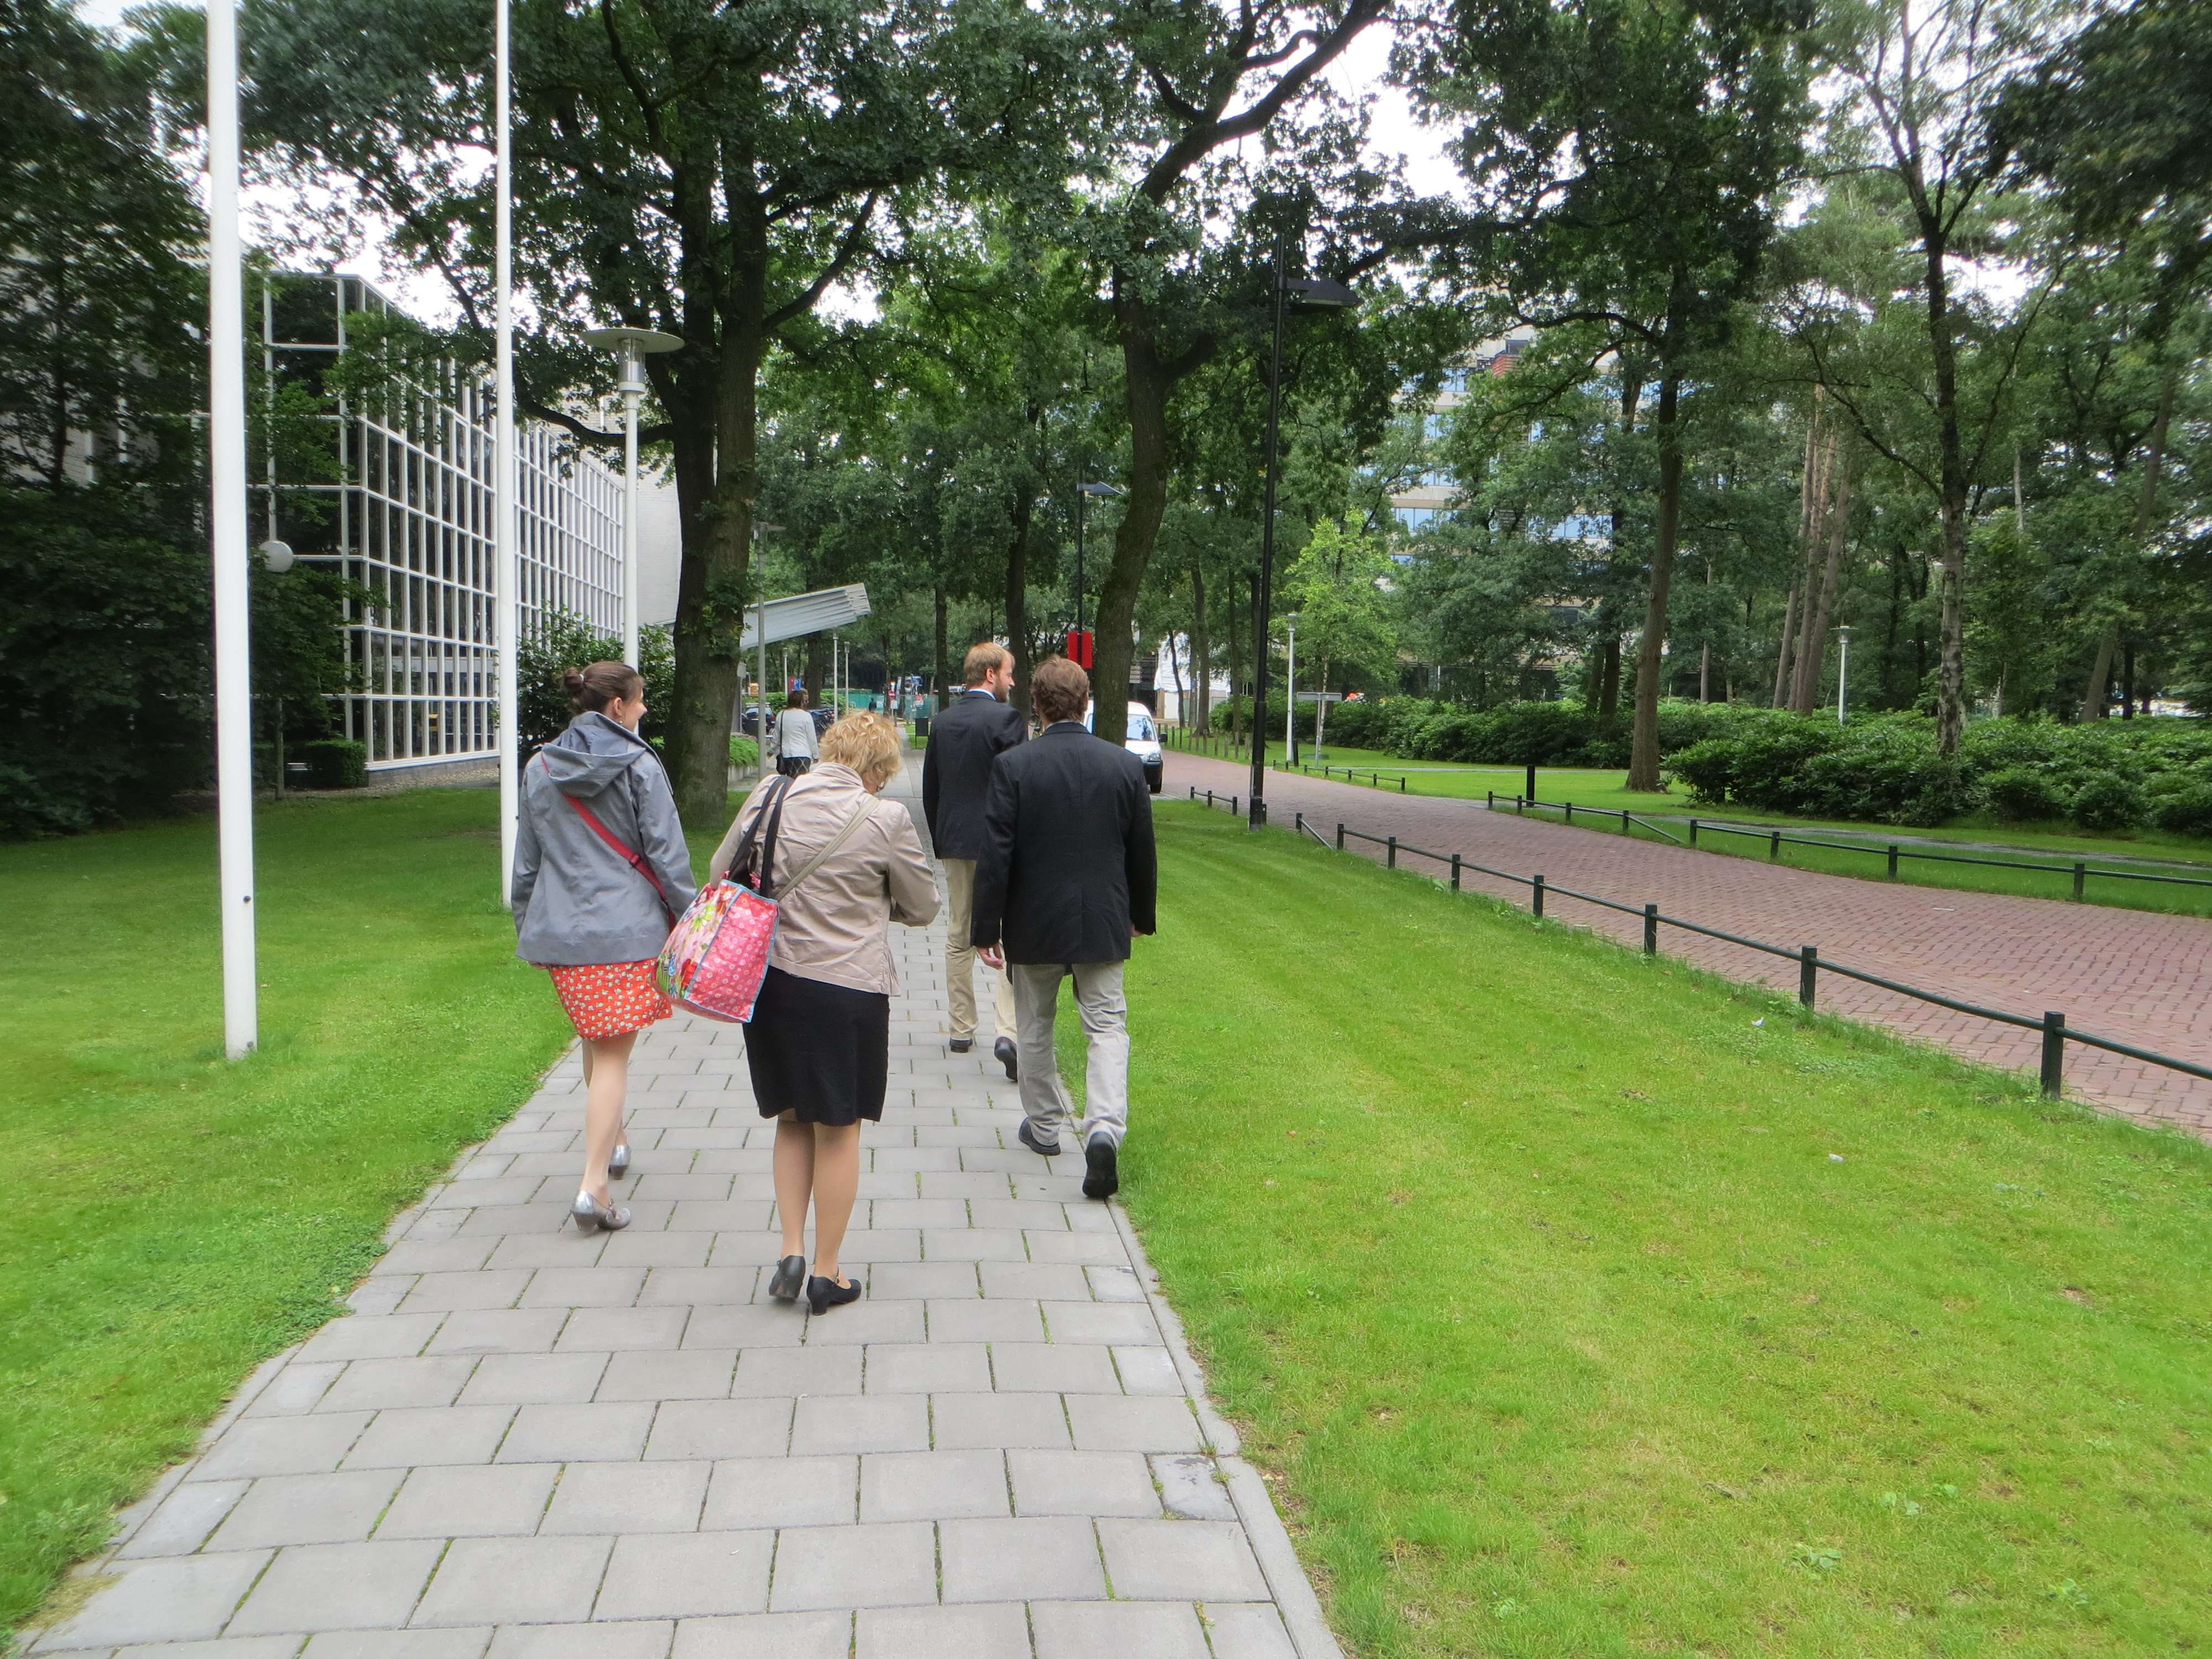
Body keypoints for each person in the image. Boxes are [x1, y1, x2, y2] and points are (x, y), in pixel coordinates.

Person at [709, 712, 938, 1313]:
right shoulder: (883, 818)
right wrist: (875, 903)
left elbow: (719, 872)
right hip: (847, 989)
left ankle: (790, 1250)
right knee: (838, 1130)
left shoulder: (770, 794)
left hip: (772, 984)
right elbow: (923, 907)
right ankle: (827, 1271)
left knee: (790, 1119)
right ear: (879, 768)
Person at [513, 660, 697, 1233]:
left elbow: (527, 861)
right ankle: (593, 1186)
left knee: (597, 1038)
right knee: (614, 1053)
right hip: (626, 929)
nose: (644, 709)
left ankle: (615, 1139)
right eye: (640, 700)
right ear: (618, 706)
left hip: (562, 930)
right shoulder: (639, 763)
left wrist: (526, 923)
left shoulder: (540, 765)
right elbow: (666, 852)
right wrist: (690, 917)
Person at [972, 655, 1156, 1199]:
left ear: (1036, 704)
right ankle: (1103, 1129)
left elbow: (996, 855)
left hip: (1034, 919)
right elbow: (1141, 851)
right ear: (1086, 701)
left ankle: (1045, 1126)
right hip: (1102, 917)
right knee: (1107, 1026)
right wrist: (1140, 915)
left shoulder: (1013, 767)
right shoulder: (1124, 766)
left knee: (1034, 1024)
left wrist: (985, 927)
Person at [921, 641, 1026, 1079]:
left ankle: (961, 1028)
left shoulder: (942, 722)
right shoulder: (1008, 720)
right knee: (1012, 932)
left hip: (955, 842)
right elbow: (1019, 784)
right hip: (1000, 842)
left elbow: (931, 787)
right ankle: (1009, 1032)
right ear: (990, 674)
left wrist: (942, 837)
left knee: (959, 931)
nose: (1012, 681)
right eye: (1009, 673)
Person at [773, 687, 819, 777]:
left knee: (789, 780)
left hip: (786, 754)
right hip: (803, 754)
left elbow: (777, 736)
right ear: (800, 702)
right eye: (805, 701)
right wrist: (816, 755)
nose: (806, 703)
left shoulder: (781, 715)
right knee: (800, 781)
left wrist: (772, 750)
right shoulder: (806, 716)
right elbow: (811, 738)